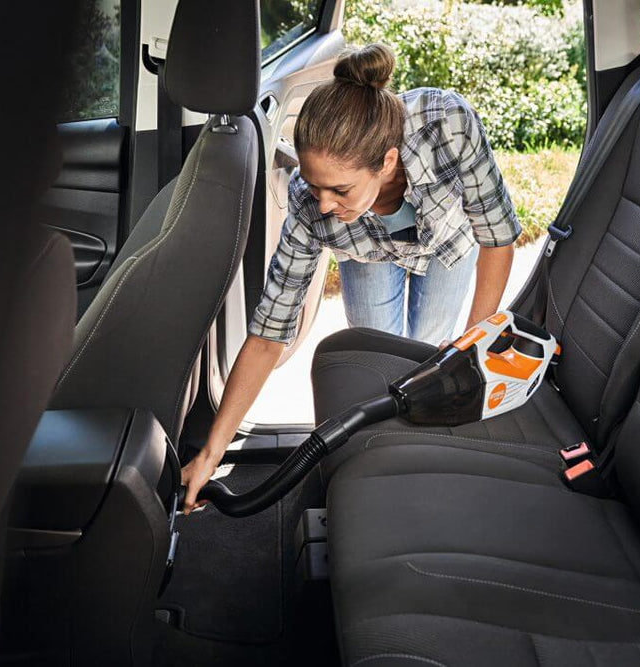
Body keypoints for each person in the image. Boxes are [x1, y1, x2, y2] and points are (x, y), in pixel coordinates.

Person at [181, 43, 520, 512]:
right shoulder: (310, 207)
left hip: (448, 242)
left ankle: (422, 460)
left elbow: (497, 235)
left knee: (429, 353)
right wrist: (210, 454)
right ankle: (387, 471)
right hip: (369, 253)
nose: (322, 205)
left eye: (338, 189)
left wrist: (469, 353)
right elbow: (268, 333)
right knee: (380, 360)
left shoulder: (449, 125)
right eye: (313, 184)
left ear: (386, 162)